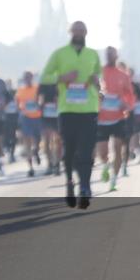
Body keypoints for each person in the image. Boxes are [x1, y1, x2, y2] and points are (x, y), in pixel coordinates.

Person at [41, 21, 101, 209]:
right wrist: (62, 78)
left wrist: (96, 81)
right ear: (70, 32)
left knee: (86, 150)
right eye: (76, 30)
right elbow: (44, 77)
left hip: (89, 108)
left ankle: (85, 186)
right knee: (69, 150)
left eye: (82, 30)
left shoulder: (93, 54)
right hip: (67, 110)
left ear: (86, 32)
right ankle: (69, 182)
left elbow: (99, 79)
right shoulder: (59, 54)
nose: (79, 33)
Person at [96, 47, 136, 191]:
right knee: (102, 153)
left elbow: (130, 95)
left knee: (118, 148)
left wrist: (127, 105)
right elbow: (91, 89)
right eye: (108, 55)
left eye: (112, 55)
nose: (110, 57)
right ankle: (106, 165)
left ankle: (113, 180)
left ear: (117, 56)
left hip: (119, 118)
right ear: (106, 56)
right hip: (101, 119)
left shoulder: (123, 75)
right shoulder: (99, 72)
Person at [13, 71, 42, 178]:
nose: (28, 79)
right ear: (24, 79)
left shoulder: (37, 88)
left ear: (32, 78)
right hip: (26, 118)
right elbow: (17, 103)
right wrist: (20, 109)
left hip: (38, 117)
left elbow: (41, 100)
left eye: (29, 77)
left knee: (38, 140)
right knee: (27, 142)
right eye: (26, 77)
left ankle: (36, 151)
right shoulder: (20, 90)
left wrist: (39, 104)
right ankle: (30, 168)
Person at [37, 78, 61, 176]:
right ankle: (50, 164)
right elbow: (39, 99)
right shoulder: (43, 84)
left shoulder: (61, 81)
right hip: (46, 115)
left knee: (57, 141)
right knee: (46, 141)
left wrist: (58, 102)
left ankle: (57, 164)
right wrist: (41, 104)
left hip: (58, 115)